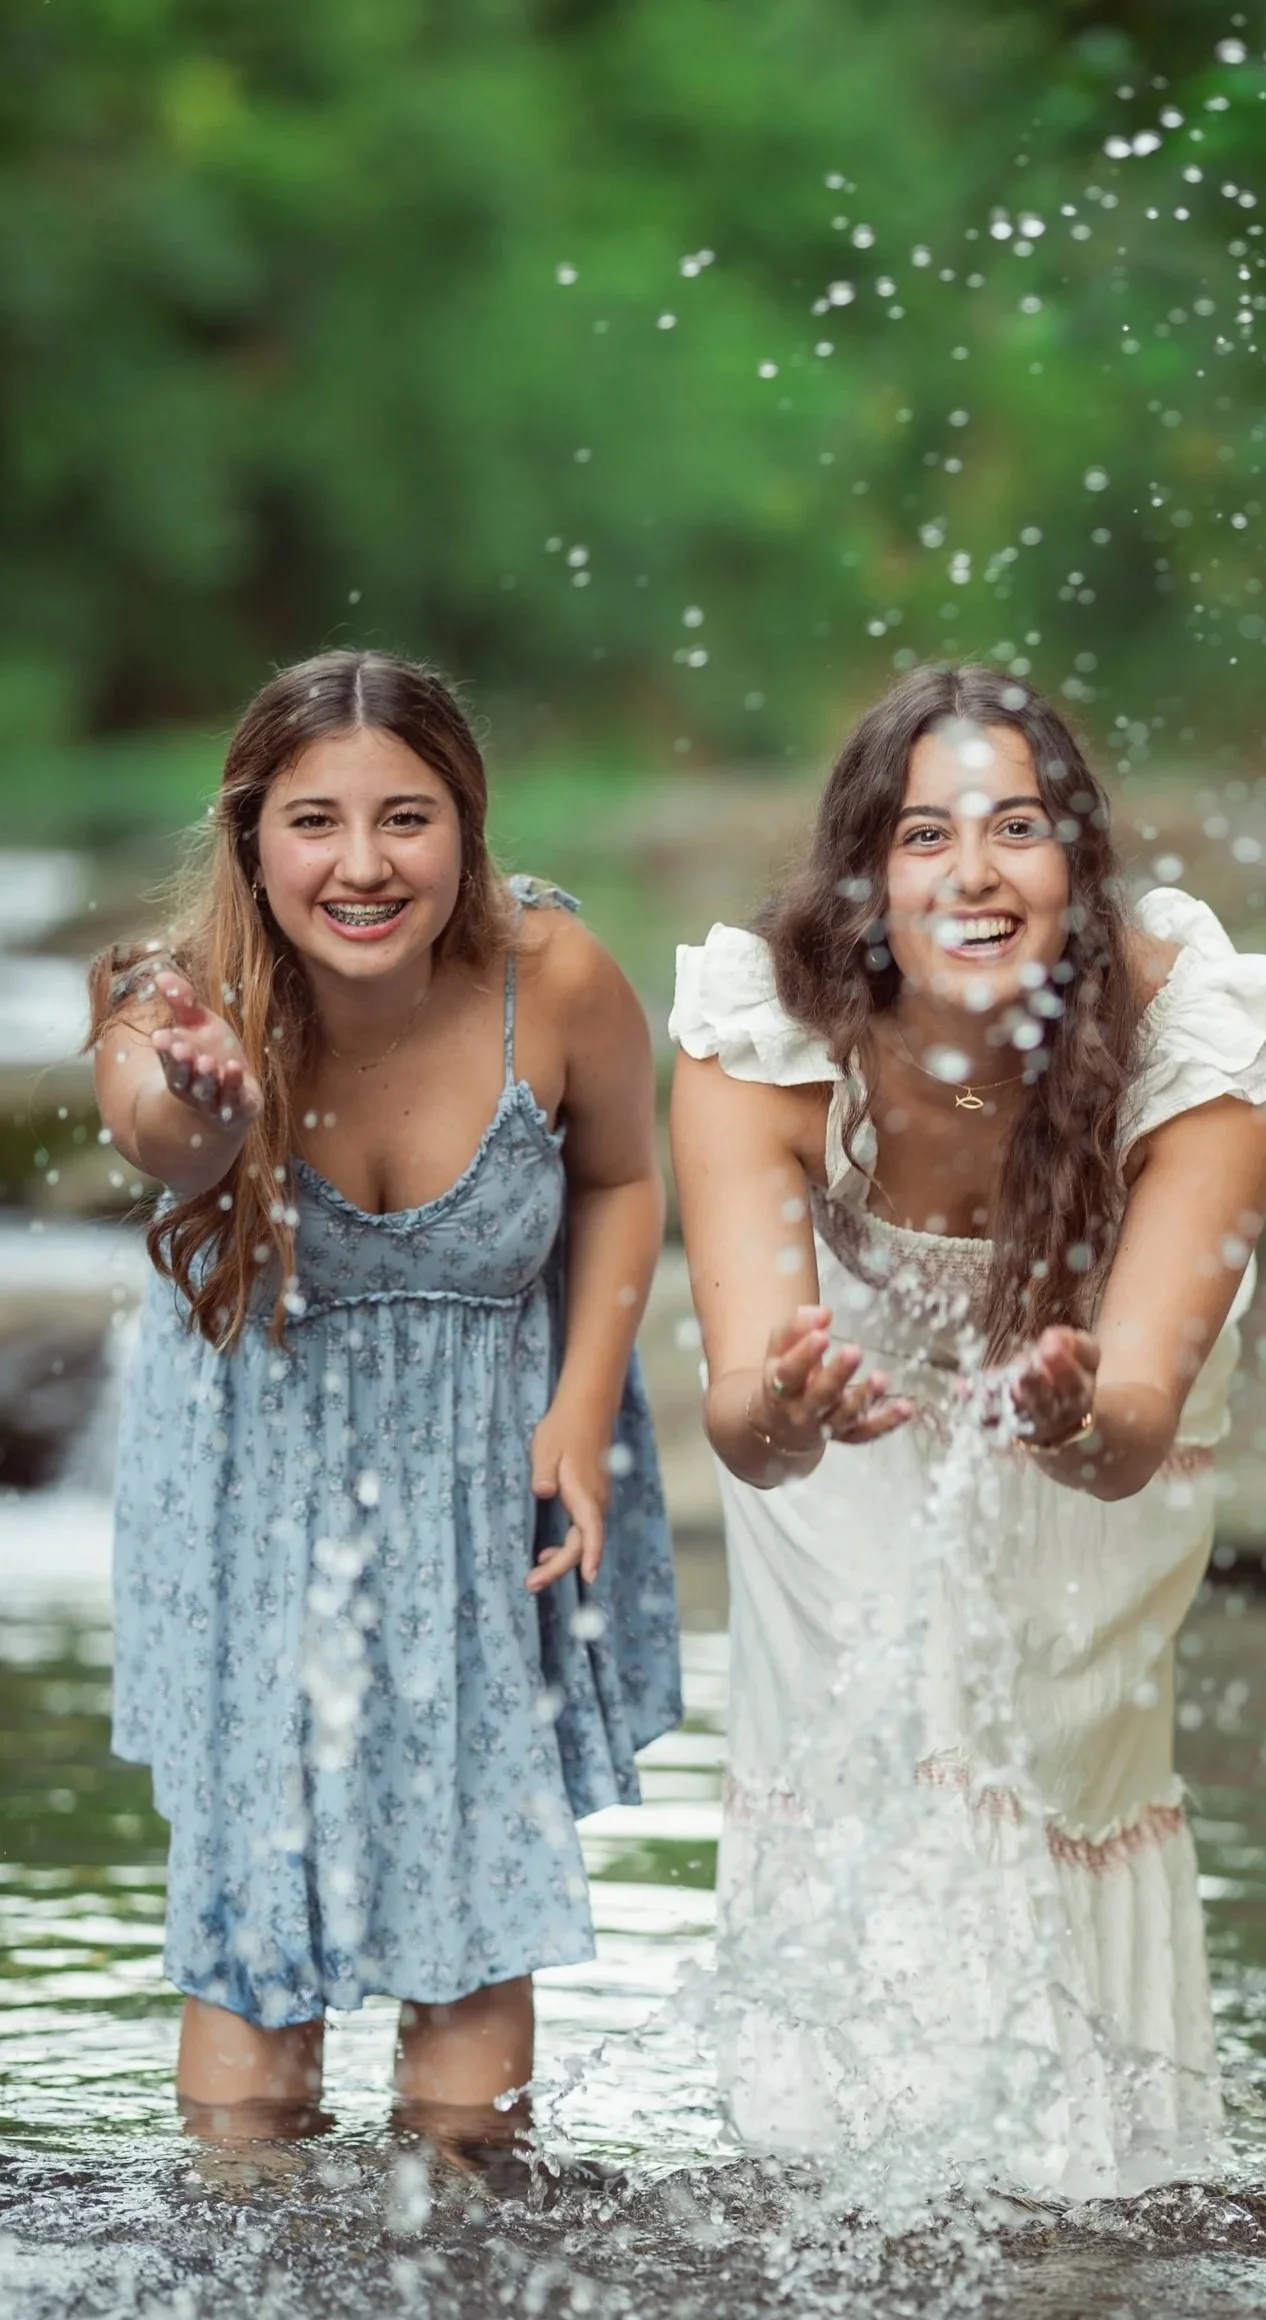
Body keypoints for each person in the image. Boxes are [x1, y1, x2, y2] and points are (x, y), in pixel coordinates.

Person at [668, 665, 1266, 2196]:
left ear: (1079, 867)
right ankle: (844, 2180)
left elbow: (1136, 1421)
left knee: (1056, 1763)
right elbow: (746, 1425)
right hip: (847, 1412)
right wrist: (790, 1403)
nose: (973, 874)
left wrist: (1078, 1407)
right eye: (922, 837)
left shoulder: (1195, 1040)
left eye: (1017, 828)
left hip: (1096, 1401)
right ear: (861, 880)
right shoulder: (765, 1033)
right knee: (910, 1730)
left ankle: (1089, 2187)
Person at [91, 650, 679, 2139]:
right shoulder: (175, 1001)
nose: (364, 865)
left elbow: (620, 1178)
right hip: (253, 1511)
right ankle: (237, 2247)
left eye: (406, 818)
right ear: (249, 837)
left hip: (485, 1490)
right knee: (253, 1943)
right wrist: (212, 1109)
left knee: (476, 1917)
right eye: (315, 822)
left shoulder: (556, 980)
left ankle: (469, 2253)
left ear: (468, 825)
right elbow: (162, 1144)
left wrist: (586, 1406)